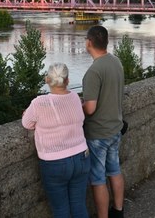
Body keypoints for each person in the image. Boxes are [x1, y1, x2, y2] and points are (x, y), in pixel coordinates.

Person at [22, 63, 90, 218]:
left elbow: (26, 123)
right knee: (79, 206)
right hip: (81, 157)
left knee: (61, 210)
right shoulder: (74, 97)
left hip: (55, 162)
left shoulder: (39, 103)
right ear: (67, 81)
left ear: (47, 80)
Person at [82, 26, 126, 218]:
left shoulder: (93, 71)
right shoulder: (116, 61)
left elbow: (90, 109)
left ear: (89, 42)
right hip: (115, 128)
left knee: (98, 179)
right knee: (115, 170)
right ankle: (118, 210)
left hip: (98, 133)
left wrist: (77, 105)